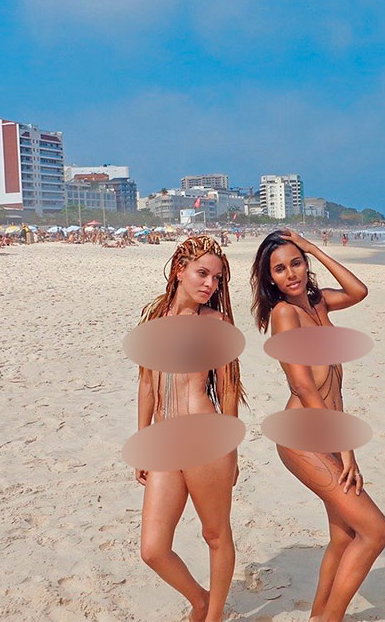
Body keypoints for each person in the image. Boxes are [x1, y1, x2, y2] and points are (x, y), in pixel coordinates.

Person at [250, 229, 385, 622]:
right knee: (376, 531)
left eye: (296, 263)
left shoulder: (317, 304)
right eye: (280, 269)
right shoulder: (284, 314)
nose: (291, 273)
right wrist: (345, 445)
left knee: (345, 536)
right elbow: (301, 384)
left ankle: (317, 616)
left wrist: (313, 248)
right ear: (270, 278)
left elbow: (358, 290)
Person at [136, 235, 247, 622]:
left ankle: (213, 616)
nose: (210, 285)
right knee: (153, 548)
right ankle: (200, 600)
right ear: (180, 269)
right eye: (203, 274)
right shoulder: (154, 318)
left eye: (217, 279)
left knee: (215, 535)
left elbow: (229, 390)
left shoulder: (216, 324)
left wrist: (232, 452)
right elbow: (147, 384)